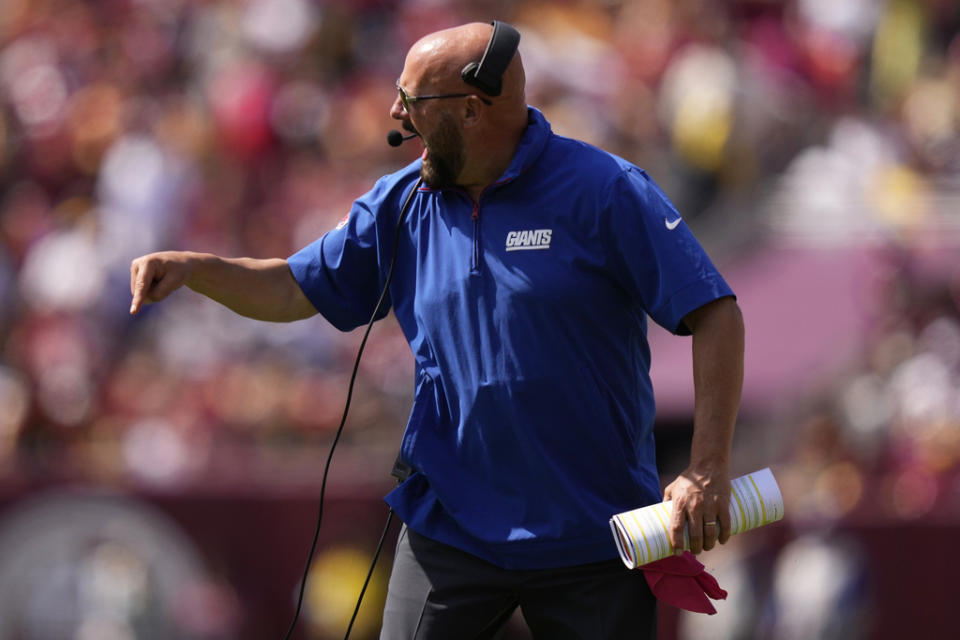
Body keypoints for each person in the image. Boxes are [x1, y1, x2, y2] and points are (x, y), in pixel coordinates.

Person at [130, 21, 744, 640]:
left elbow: (715, 312)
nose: (395, 112)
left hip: (592, 528)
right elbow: (292, 288)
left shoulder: (605, 190)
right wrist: (195, 270)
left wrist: (707, 467)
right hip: (452, 525)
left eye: (413, 99)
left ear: (474, 110)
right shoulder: (399, 204)